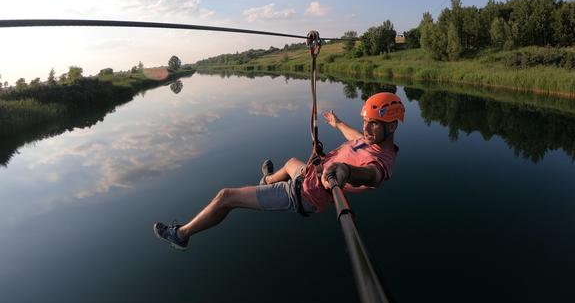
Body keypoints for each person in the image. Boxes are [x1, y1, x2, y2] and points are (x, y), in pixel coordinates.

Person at [153, 92, 404, 250]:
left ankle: (181, 234)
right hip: (308, 172)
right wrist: (337, 123)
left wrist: (345, 170)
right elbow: (355, 136)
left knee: (225, 197)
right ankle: (266, 179)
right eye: (365, 122)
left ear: (391, 125)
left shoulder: (382, 162)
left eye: (373, 124)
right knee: (290, 162)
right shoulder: (369, 140)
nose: (367, 128)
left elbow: (373, 177)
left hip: (303, 194)